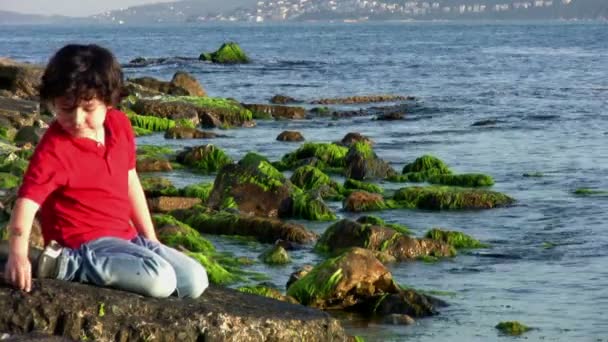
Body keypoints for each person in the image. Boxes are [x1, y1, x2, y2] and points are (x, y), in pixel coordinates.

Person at [2, 44, 208, 298]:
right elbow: (26, 204)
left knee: (194, 280)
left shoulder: (119, 126)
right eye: (66, 108)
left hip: (126, 238)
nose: (77, 119)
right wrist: (18, 255)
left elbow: (130, 182)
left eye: (88, 109)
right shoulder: (55, 149)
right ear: (53, 101)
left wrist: (151, 239)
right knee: (161, 280)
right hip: (84, 243)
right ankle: (62, 264)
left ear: (108, 102)